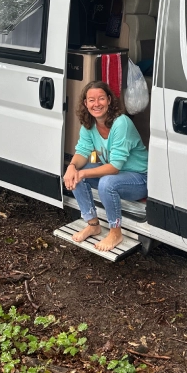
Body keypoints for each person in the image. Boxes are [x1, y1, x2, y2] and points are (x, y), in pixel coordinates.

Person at [63, 81, 148, 251]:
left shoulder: (121, 123)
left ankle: (116, 233)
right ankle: (93, 224)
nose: (97, 104)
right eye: (91, 100)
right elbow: (82, 152)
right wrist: (72, 167)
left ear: (109, 100)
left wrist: (83, 174)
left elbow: (114, 167)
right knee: (77, 175)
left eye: (101, 98)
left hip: (140, 178)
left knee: (106, 183)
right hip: (116, 175)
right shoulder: (89, 124)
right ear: (85, 103)